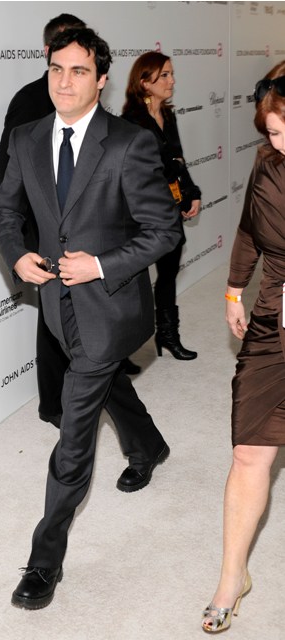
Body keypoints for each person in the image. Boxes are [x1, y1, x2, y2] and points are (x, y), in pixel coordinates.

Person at [0, 27, 182, 609]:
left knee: (74, 431)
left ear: (101, 79)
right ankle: (148, 445)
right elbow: (5, 210)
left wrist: (99, 264)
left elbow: (164, 230)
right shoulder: (26, 138)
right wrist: (16, 253)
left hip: (109, 302)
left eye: (78, 71)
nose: (64, 81)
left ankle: (44, 561)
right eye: (56, 69)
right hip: (56, 304)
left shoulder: (128, 143)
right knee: (100, 379)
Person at [201, 61, 285, 634]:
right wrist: (235, 289)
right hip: (274, 316)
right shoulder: (267, 164)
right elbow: (252, 229)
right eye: (275, 132)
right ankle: (233, 576)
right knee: (249, 450)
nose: (281, 145)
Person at [0, 14, 87, 430]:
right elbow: (8, 167)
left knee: (87, 301)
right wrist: (37, 214)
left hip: (83, 219)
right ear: (48, 51)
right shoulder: (31, 99)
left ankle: (100, 375)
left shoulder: (83, 94)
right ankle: (53, 403)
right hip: (46, 223)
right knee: (54, 311)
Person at [122, 51, 201, 360]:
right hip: (141, 211)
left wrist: (191, 191)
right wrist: (172, 163)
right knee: (133, 281)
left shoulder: (168, 115)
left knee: (168, 274)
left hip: (170, 205)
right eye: (165, 75)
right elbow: (148, 169)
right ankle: (123, 351)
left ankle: (168, 335)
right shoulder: (131, 122)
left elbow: (179, 159)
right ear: (145, 82)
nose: (172, 80)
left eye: (171, 74)